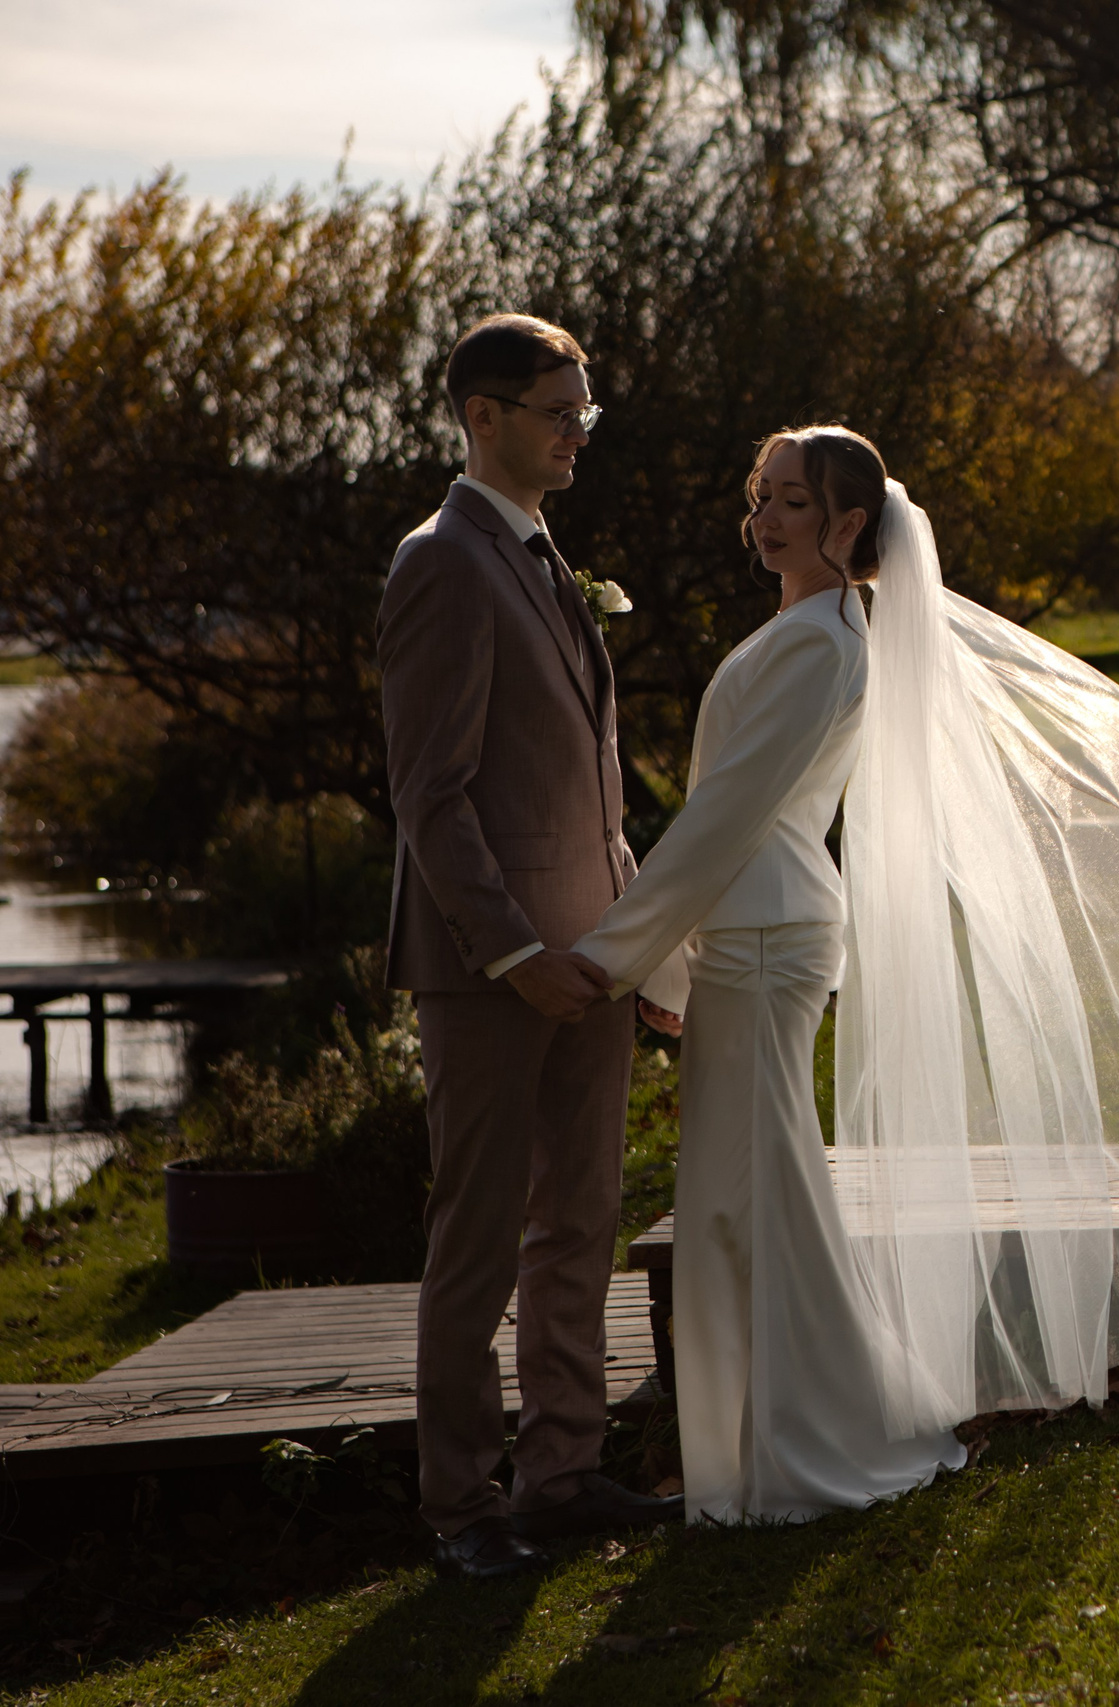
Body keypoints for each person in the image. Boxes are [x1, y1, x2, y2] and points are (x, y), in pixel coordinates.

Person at [572, 426, 1119, 1525]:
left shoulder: (821, 645)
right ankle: (775, 1447)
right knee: (744, 1200)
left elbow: (727, 818)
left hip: (766, 945)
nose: (766, 519)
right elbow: (725, 820)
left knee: (751, 1201)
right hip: (747, 937)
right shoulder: (798, 630)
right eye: (761, 497)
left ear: (850, 526)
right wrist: (666, 959)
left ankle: (801, 1450)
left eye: (794, 503)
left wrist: (613, 954)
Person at [378, 314, 682, 1580]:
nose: (576, 434)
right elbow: (431, 796)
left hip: (596, 958)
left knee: (582, 1225)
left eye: (584, 413)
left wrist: (642, 957)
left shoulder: (548, 557)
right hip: (488, 967)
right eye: (556, 412)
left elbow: (593, 800)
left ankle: (565, 1470)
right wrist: (515, 956)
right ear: (480, 416)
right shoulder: (442, 562)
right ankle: (461, 1508)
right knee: (480, 1238)